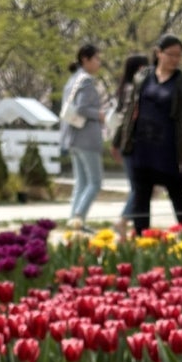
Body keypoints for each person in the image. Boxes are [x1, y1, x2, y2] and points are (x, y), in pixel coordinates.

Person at [117, 33, 182, 235]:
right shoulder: (142, 77)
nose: (175, 59)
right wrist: (119, 142)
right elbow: (130, 112)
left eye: (179, 55)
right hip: (141, 146)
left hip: (168, 148)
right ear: (158, 53)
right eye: (171, 54)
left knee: (177, 194)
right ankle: (142, 239)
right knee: (141, 196)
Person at [60, 44, 105, 230]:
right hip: (86, 137)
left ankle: (74, 222)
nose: (99, 63)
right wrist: (99, 115)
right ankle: (78, 219)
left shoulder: (73, 79)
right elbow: (82, 108)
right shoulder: (86, 81)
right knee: (95, 182)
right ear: (85, 59)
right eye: (96, 59)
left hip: (73, 137)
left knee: (82, 182)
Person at [110, 53, 150, 238]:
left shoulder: (123, 89)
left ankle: (131, 224)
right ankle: (124, 220)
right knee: (140, 187)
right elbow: (128, 120)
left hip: (123, 142)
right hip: (132, 143)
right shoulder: (134, 89)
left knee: (138, 187)